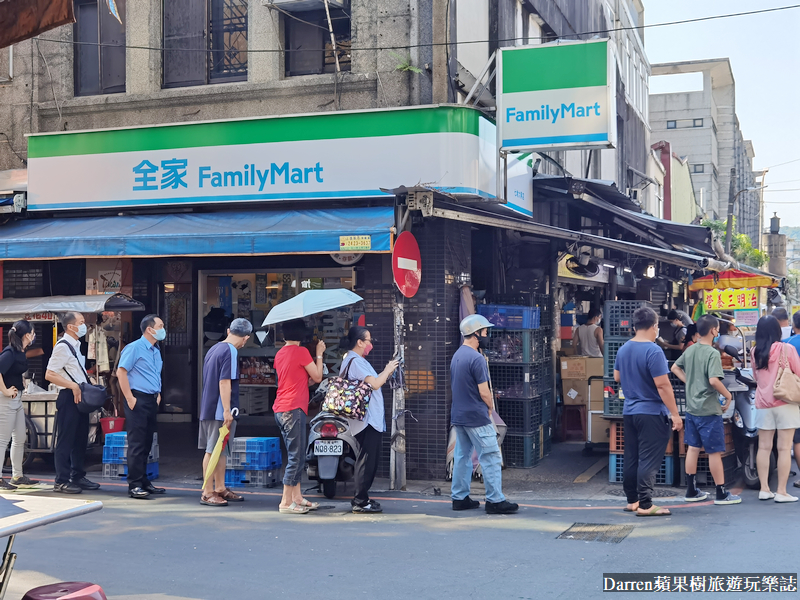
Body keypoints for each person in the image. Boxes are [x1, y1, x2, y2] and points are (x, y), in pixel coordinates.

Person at [614, 307, 683, 517]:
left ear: (635, 326)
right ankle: (645, 504)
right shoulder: (654, 351)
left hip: (630, 411)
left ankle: (632, 500)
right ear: (654, 326)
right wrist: (675, 414)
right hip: (651, 412)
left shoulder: (623, 349)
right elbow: (663, 385)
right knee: (648, 459)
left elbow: (617, 377)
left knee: (631, 457)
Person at [450, 314, 518, 515]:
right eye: (485, 332)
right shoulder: (477, 358)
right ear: (476, 333)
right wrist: (490, 407)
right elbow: (484, 391)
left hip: (459, 415)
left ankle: (459, 497)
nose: (487, 336)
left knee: (462, 456)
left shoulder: (457, 355)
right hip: (476, 416)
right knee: (491, 456)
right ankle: (495, 500)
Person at [671, 315, 741, 505]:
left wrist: (689, 382)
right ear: (712, 330)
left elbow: (675, 368)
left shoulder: (691, 349)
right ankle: (721, 492)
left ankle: (691, 490)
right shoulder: (712, 353)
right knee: (714, 452)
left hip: (692, 408)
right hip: (709, 409)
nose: (718, 331)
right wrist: (728, 395)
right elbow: (713, 380)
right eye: (717, 328)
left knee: (693, 448)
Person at [339, 327, 399, 514]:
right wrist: (388, 369)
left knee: (366, 459)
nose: (371, 344)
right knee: (366, 460)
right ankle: (360, 501)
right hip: (367, 419)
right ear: (359, 342)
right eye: (369, 341)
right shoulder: (356, 361)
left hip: (364, 419)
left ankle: (363, 497)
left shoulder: (351, 359)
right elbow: (375, 384)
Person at [198, 318, 253, 507]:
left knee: (221, 450)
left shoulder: (214, 348)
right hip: (219, 410)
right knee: (213, 450)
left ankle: (220, 487)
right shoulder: (230, 351)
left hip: (209, 406)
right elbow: (225, 381)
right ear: (246, 338)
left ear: (229, 330)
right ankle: (207, 492)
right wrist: (227, 410)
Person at [273, 319, 325, 515]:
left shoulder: (280, 353)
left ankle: (297, 497)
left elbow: (295, 378)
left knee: (296, 454)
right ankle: (286, 502)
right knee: (296, 456)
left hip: (281, 408)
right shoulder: (301, 352)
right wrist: (319, 354)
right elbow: (318, 377)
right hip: (293, 408)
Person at [45, 312, 101, 494]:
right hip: (68, 397)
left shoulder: (75, 345)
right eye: (81, 322)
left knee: (80, 439)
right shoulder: (62, 346)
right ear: (71, 326)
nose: (85, 326)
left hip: (79, 397)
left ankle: (77, 475)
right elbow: (49, 374)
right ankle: (61, 481)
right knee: (66, 440)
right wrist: (73, 386)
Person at [750, 315, 800, 503]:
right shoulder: (786, 349)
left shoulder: (755, 351)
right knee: (784, 448)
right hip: (785, 401)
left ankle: (764, 489)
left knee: (764, 447)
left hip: (763, 404)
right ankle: (781, 491)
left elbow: (755, 377)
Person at [116, 314, 166, 500]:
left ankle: (144, 481)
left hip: (151, 399)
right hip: (137, 398)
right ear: (149, 329)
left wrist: (158, 393)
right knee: (136, 443)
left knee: (147, 441)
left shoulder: (155, 350)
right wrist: (129, 398)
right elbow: (121, 372)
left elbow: (155, 373)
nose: (163, 329)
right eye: (160, 326)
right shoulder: (134, 348)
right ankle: (134, 484)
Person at [0, 321, 40, 489]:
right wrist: (5, 390)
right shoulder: (10, 352)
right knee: (3, 439)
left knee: (20, 438)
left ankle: (17, 475)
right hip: (6, 400)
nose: (34, 336)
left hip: (16, 399)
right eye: (33, 333)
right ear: (27, 335)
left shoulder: (20, 352)